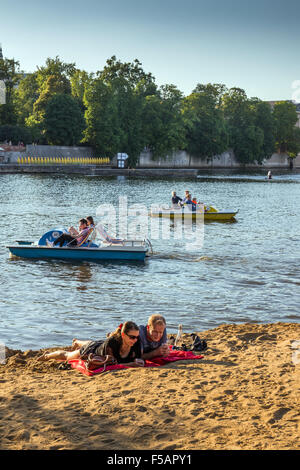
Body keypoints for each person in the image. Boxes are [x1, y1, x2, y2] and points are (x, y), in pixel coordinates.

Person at [38, 321, 144, 367]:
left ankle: (76, 342)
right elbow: (111, 364)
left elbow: (139, 358)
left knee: (94, 343)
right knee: (67, 356)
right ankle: (47, 355)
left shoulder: (136, 343)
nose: (135, 340)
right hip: (92, 351)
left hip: (100, 345)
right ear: (123, 335)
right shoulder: (112, 343)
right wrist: (132, 364)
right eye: (132, 337)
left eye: (137, 336)